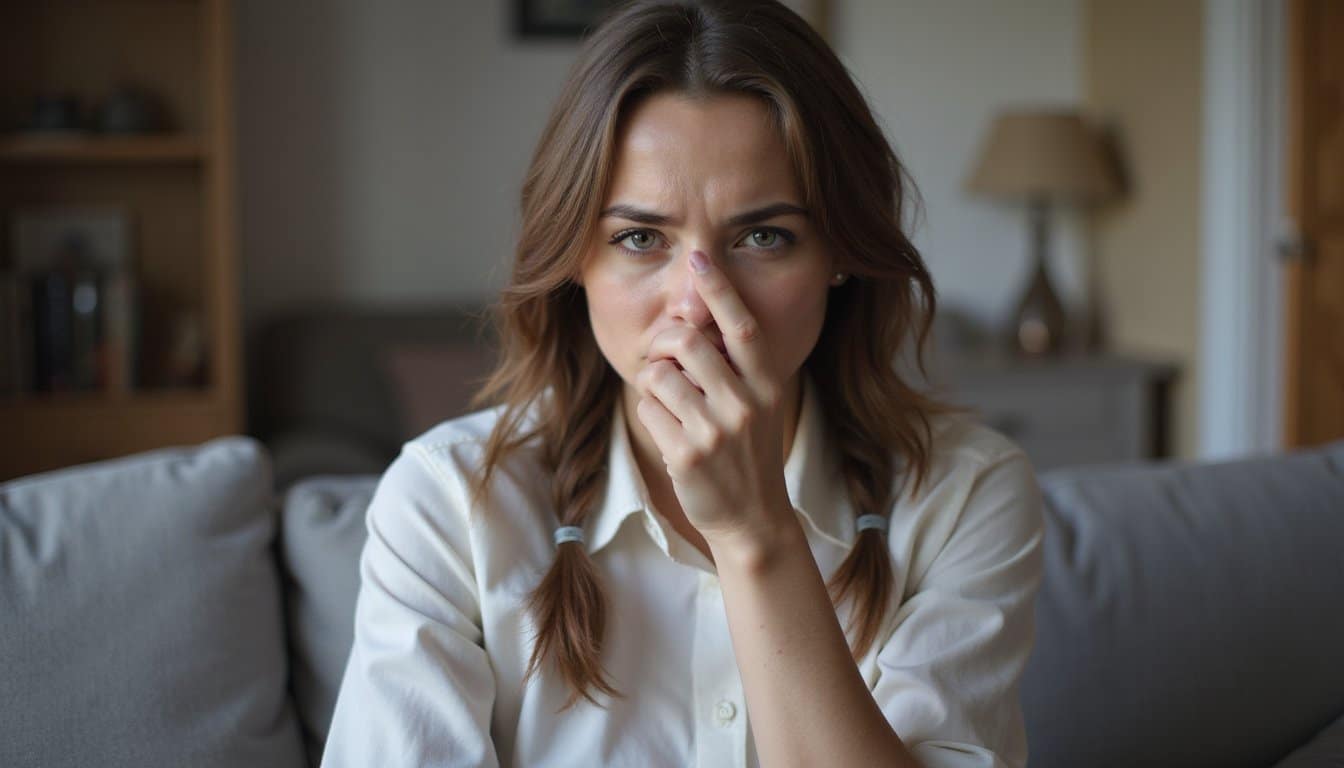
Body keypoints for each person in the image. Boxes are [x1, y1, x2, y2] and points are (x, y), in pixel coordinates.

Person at [321, 1, 1045, 766]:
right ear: (575, 260)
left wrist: (755, 532)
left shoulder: (966, 492)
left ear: (840, 253)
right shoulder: (449, 503)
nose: (699, 303)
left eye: (763, 237)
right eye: (640, 239)